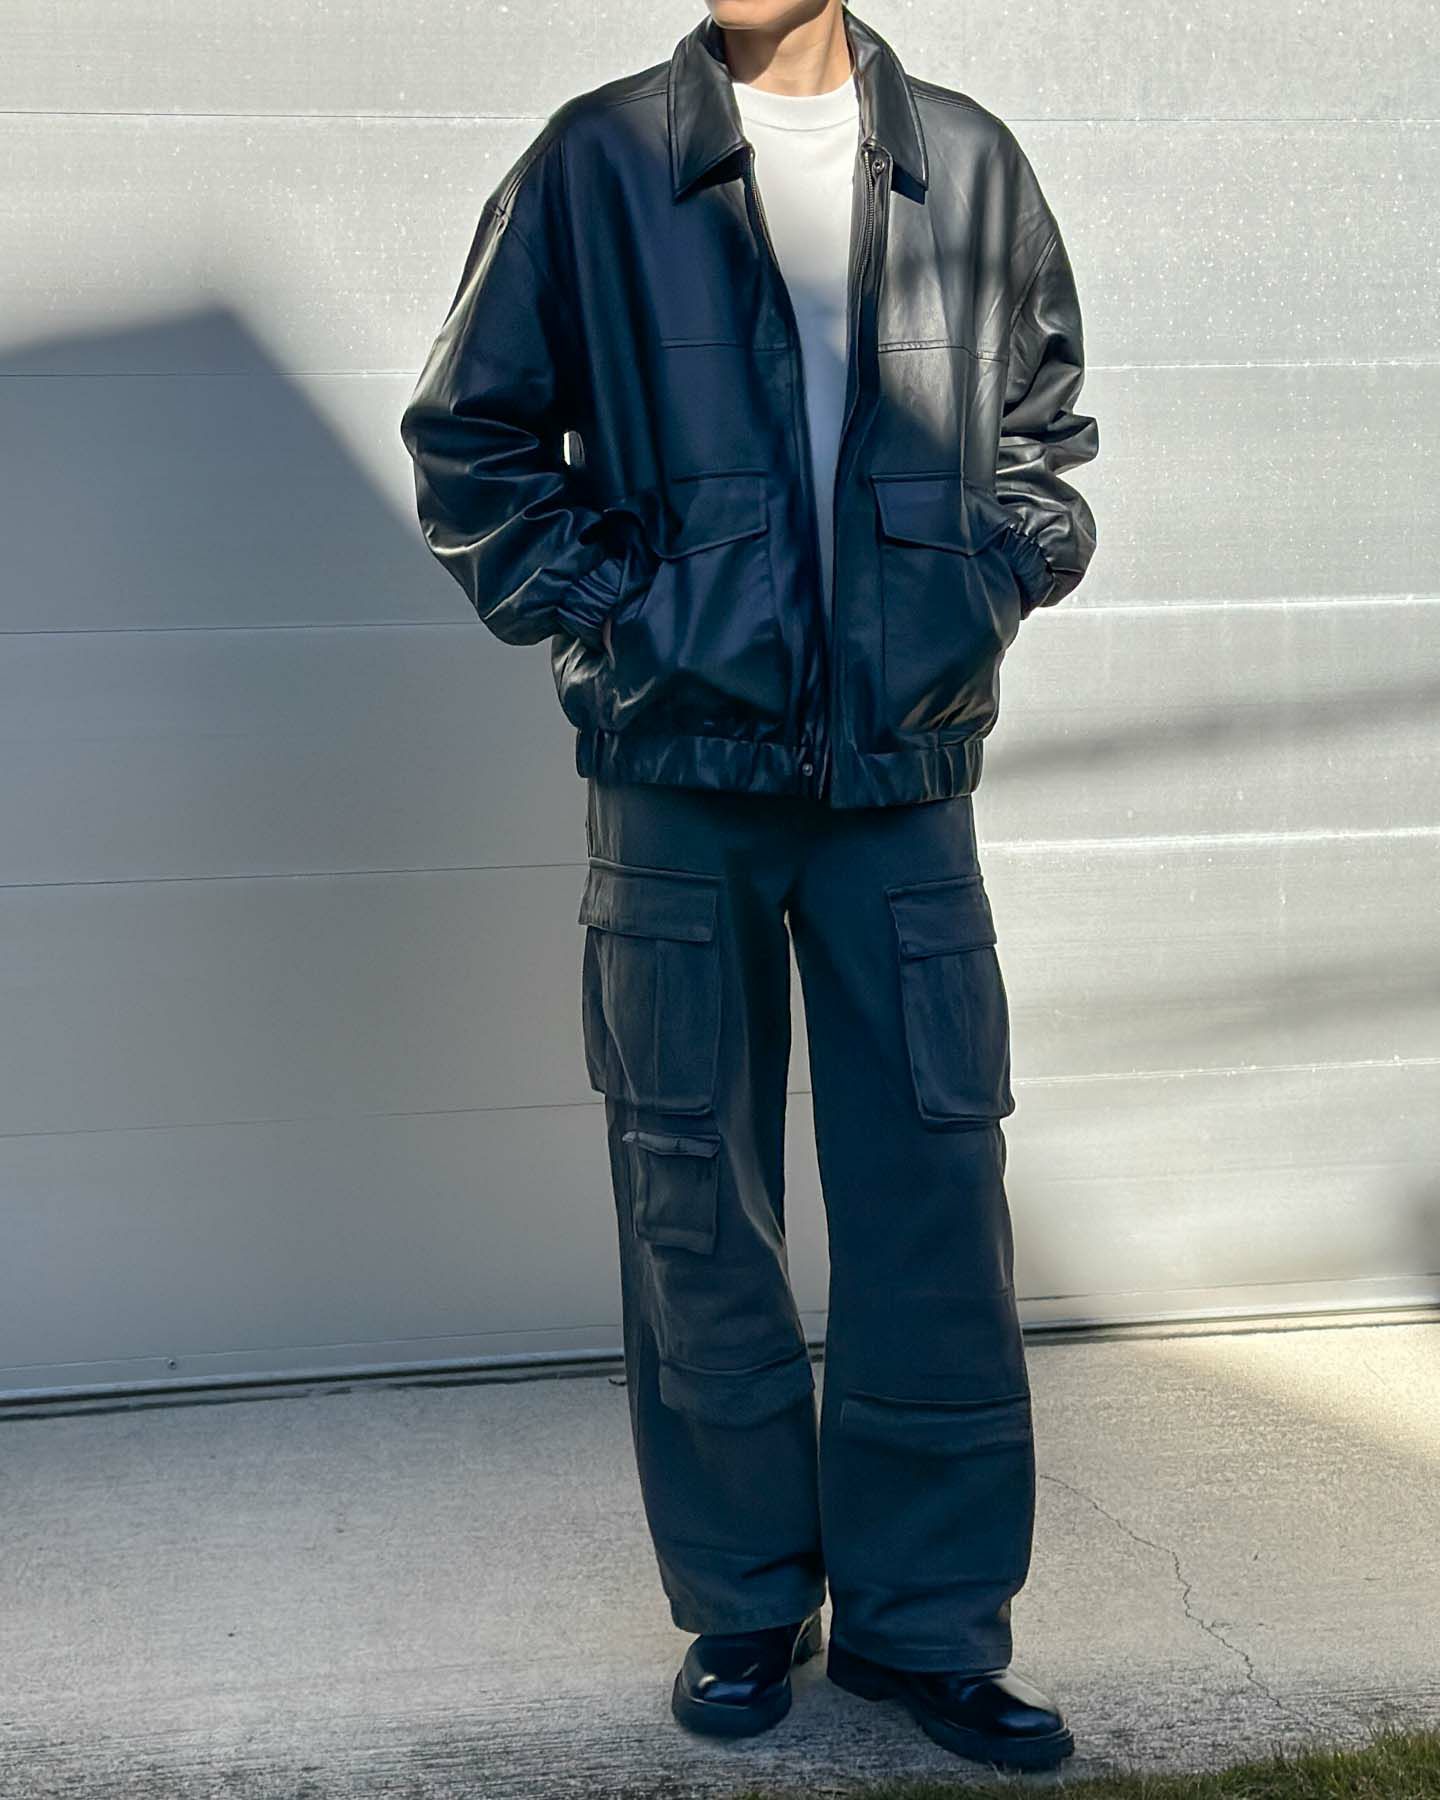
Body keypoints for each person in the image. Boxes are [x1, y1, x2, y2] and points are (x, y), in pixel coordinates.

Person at [399, 0, 1097, 1771]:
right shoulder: (596, 163)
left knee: (935, 1195)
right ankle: (742, 1602)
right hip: (675, 781)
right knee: (693, 1199)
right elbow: (470, 441)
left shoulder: (969, 166)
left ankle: (927, 1629)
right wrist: (629, 619)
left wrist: (981, 587)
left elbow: (1039, 434)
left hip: (899, 778)